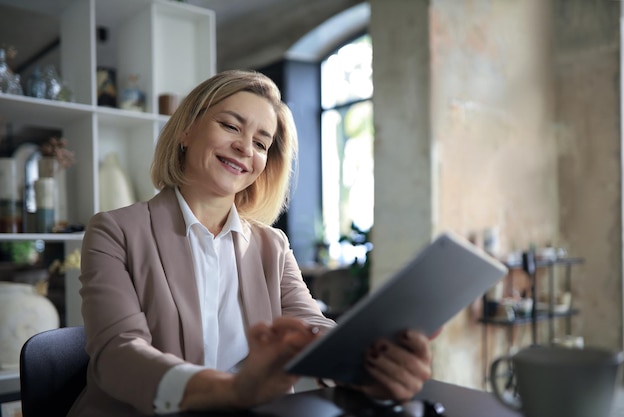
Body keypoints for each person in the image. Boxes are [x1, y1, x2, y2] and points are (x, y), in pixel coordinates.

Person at [68, 69, 435, 417]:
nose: (245, 148)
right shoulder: (114, 230)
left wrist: (370, 364)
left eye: (261, 143)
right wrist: (232, 390)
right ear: (187, 130)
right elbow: (118, 355)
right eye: (230, 126)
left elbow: (313, 329)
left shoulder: (271, 246)